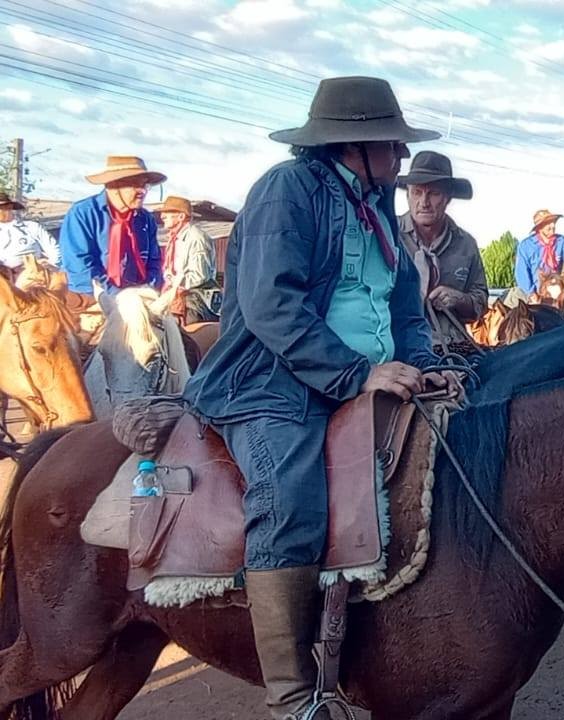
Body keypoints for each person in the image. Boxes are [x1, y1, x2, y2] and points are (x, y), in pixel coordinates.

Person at [182, 76, 461, 720]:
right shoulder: (287, 191)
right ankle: (293, 699)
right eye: (391, 144)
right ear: (350, 146)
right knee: (290, 498)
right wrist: (356, 374)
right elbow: (271, 306)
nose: (400, 156)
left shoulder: (375, 206)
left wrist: (422, 365)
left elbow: (403, 306)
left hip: (364, 374)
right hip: (269, 383)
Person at [396, 150, 488, 349]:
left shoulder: (466, 245)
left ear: (448, 198)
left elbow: (481, 304)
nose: (424, 203)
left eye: (434, 193)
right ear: (408, 195)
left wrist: (460, 300)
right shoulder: (389, 236)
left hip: (456, 348)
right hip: (401, 348)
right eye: (417, 192)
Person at [61, 155, 166, 303]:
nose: (143, 191)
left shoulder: (146, 219)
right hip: (91, 297)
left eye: (145, 185)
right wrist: (118, 296)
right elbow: (81, 267)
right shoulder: (83, 213)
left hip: (139, 298)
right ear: (115, 186)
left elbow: (154, 262)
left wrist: (149, 290)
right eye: (136, 185)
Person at [154, 196, 220, 324]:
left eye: (168, 213)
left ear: (181, 216)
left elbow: (199, 276)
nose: (162, 216)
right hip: (178, 299)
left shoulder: (196, 238)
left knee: (188, 334)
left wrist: (174, 283)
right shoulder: (174, 238)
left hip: (193, 302)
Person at [514, 209, 564, 294]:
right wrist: (532, 294)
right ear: (539, 227)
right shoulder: (526, 246)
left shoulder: (560, 241)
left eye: (554, 222)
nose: (552, 225)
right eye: (548, 223)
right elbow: (521, 274)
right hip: (536, 292)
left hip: (556, 291)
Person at [0, 191, 61, 280]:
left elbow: (53, 248)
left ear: (9, 207)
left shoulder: (31, 227)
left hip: (32, 273)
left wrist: (52, 264)